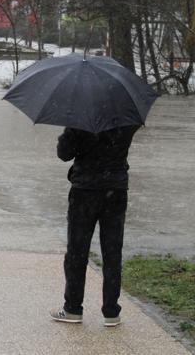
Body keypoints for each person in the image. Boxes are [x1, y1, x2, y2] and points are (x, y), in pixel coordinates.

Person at [50, 125, 140, 327]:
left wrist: (67, 134)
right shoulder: (126, 119)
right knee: (112, 252)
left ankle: (73, 308)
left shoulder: (80, 120)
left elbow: (64, 154)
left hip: (85, 191)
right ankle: (111, 311)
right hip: (116, 190)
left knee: (77, 251)